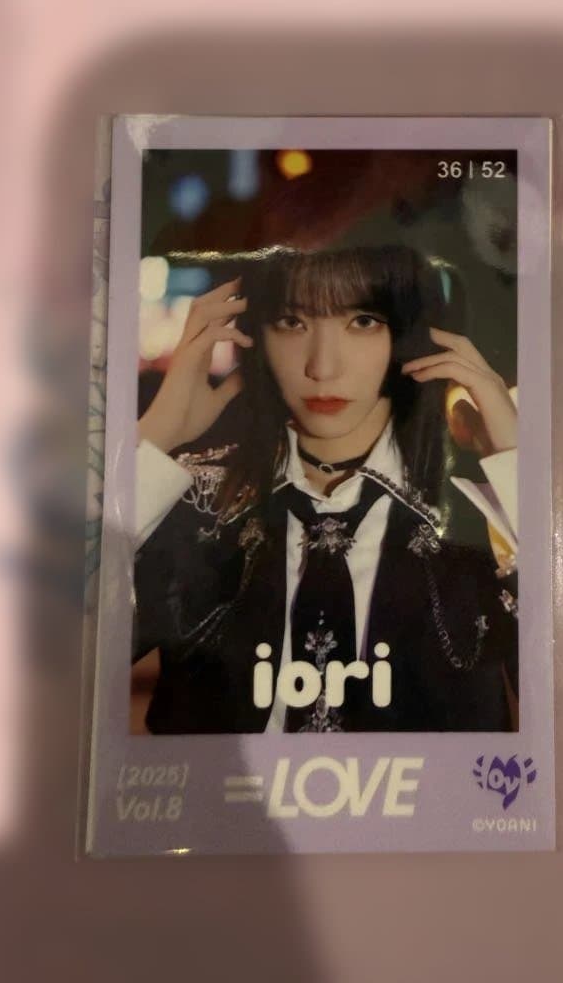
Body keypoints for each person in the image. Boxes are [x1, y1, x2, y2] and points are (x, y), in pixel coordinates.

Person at [133, 245, 519, 733]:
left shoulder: (480, 509)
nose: (322, 368)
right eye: (292, 322)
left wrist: (517, 464)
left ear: (412, 334)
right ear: (255, 333)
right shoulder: (197, 499)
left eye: (362, 321)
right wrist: (156, 433)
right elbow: (62, 652)